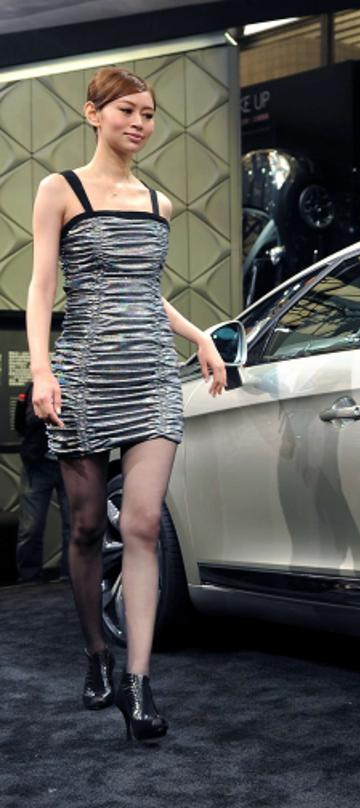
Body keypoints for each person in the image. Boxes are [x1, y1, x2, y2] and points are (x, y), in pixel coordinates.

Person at [25, 67, 227, 742]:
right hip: (82, 375)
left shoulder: (158, 205)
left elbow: (144, 290)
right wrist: (43, 370)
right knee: (86, 528)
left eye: (148, 114)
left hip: (149, 378)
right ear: (94, 114)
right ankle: (96, 655)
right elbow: (41, 285)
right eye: (126, 111)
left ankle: (139, 685)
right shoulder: (61, 189)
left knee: (140, 525)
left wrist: (198, 335)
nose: (139, 123)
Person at [13, 380, 70, 584]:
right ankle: (29, 578)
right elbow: (21, 423)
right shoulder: (34, 388)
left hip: (70, 463)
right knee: (31, 526)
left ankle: (70, 576)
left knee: (74, 525)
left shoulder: (76, 389)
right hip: (37, 463)